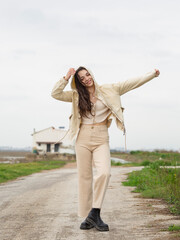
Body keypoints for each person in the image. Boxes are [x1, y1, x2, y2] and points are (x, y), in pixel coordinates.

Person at [51, 66, 160, 231]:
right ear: (79, 82)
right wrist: (66, 78)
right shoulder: (76, 95)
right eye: (81, 78)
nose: (86, 79)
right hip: (83, 138)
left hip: (102, 137)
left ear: (91, 74)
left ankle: (95, 212)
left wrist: (152, 74)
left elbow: (133, 83)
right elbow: (55, 93)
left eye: (87, 74)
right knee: (85, 178)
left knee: (104, 173)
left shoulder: (110, 89)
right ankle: (89, 216)